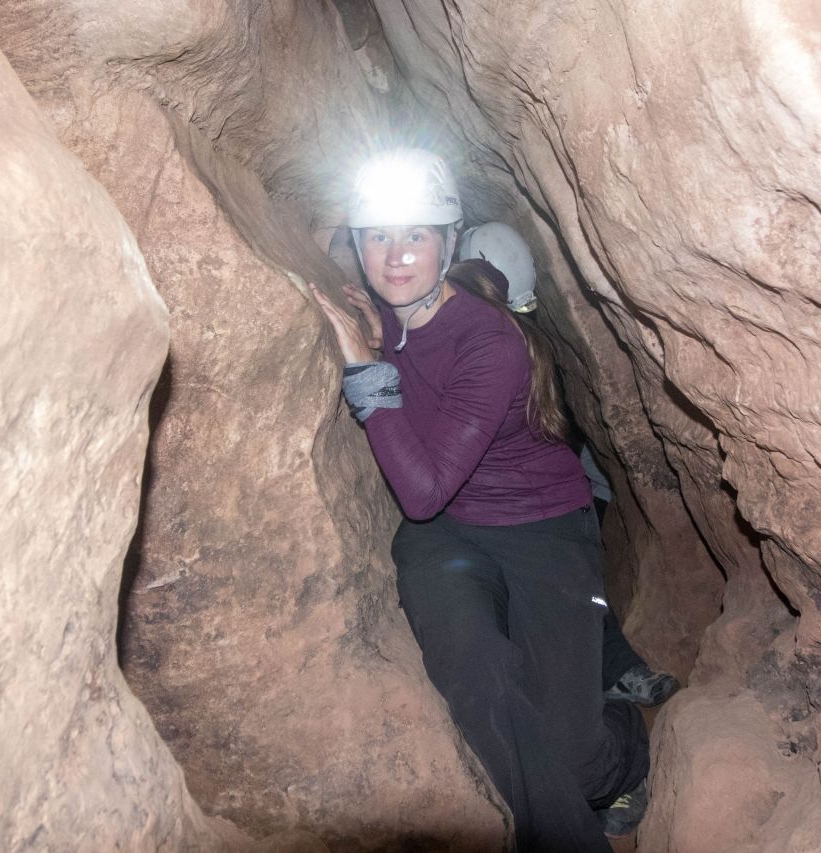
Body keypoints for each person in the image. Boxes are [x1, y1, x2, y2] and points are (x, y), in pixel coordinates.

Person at [309, 148, 649, 851]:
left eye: (416, 235)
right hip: (448, 535)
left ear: (449, 242)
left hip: (543, 526)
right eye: (378, 236)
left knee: (572, 755)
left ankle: (625, 747)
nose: (395, 255)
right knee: (478, 676)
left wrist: (367, 371)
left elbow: (423, 490)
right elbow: (430, 506)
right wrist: (376, 336)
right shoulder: (386, 312)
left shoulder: (491, 340)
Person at [456, 222, 681, 708]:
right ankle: (593, 678)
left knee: (573, 589)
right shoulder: (511, 337)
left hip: (548, 500)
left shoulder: (502, 345)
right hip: (537, 498)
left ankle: (613, 674)